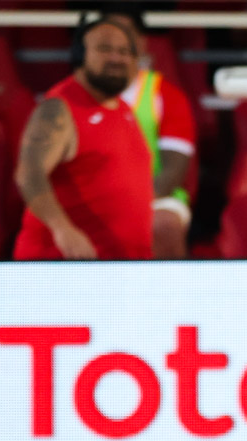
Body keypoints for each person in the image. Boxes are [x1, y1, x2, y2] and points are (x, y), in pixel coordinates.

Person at [13, 17, 153, 261]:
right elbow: (29, 173)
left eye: (125, 51)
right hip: (62, 270)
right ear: (79, 56)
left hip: (117, 271)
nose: (117, 58)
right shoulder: (59, 108)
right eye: (104, 48)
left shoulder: (123, 110)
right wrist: (62, 229)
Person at [102, 7, 197, 259]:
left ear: (142, 43)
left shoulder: (166, 95)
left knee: (163, 226)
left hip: (156, 198)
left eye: (126, 36)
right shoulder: (75, 95)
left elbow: (173, 171)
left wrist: (126, 206)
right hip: (94, 197)